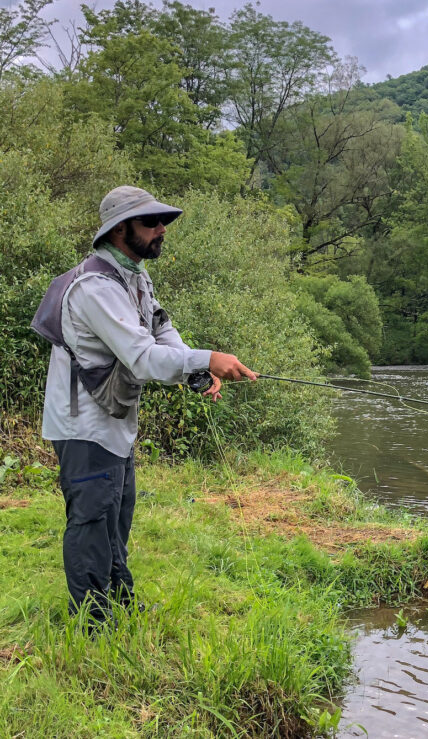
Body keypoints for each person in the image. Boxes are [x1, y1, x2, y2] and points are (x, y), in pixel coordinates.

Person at [32, 185, 258, 627]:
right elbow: (141, 357)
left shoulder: (134, 275)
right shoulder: (95, 287)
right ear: (120, 230)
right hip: (83, 427)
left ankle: (120, 602)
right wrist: (209, 358)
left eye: (163, 222)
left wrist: (197, 369)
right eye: (151, 222)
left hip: (113, 424)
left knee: (117, 519)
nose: (161, 230)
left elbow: (160, 329)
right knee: (91, 524)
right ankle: (94, 626)